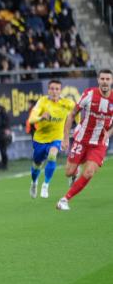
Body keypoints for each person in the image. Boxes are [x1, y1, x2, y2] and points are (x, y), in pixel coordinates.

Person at [57, 70, 113, 210]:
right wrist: (65, 138)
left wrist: (109, 133)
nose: (105, 81)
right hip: (82, 139)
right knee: (68, 172)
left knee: (89, 172)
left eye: (108, 79)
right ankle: (74, 173)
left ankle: (65, 199)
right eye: (102, 79)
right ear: (98, 80)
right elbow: (71, 115)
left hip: (99, 143)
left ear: (111, 81)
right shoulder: (89, 94)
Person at [27, 81, 74, 199]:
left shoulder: (67, 103)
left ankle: (46, 185)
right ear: (48, 90)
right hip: (40, 139)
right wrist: (41, 117)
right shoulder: (42, 101)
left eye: (57, 89)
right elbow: (31, 119)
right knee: (37, 164)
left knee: (53, 155)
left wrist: (77, 127)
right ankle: (34, 183)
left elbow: (76, 114)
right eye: (52, 89)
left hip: (56, 138)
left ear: (60, 90)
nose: (54, 91)